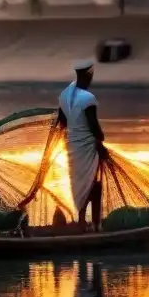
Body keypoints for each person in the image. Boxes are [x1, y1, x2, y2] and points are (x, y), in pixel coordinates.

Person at [57, 59, 108, 231]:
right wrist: (101, 139)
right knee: (94, 185)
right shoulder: (88, 98)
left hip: (71, 146)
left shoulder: (65, 94)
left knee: (80, 183)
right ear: (89, 74)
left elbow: (62, 122)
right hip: (87, 147)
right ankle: (95, 225)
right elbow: (93, 126)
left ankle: (81, 221)